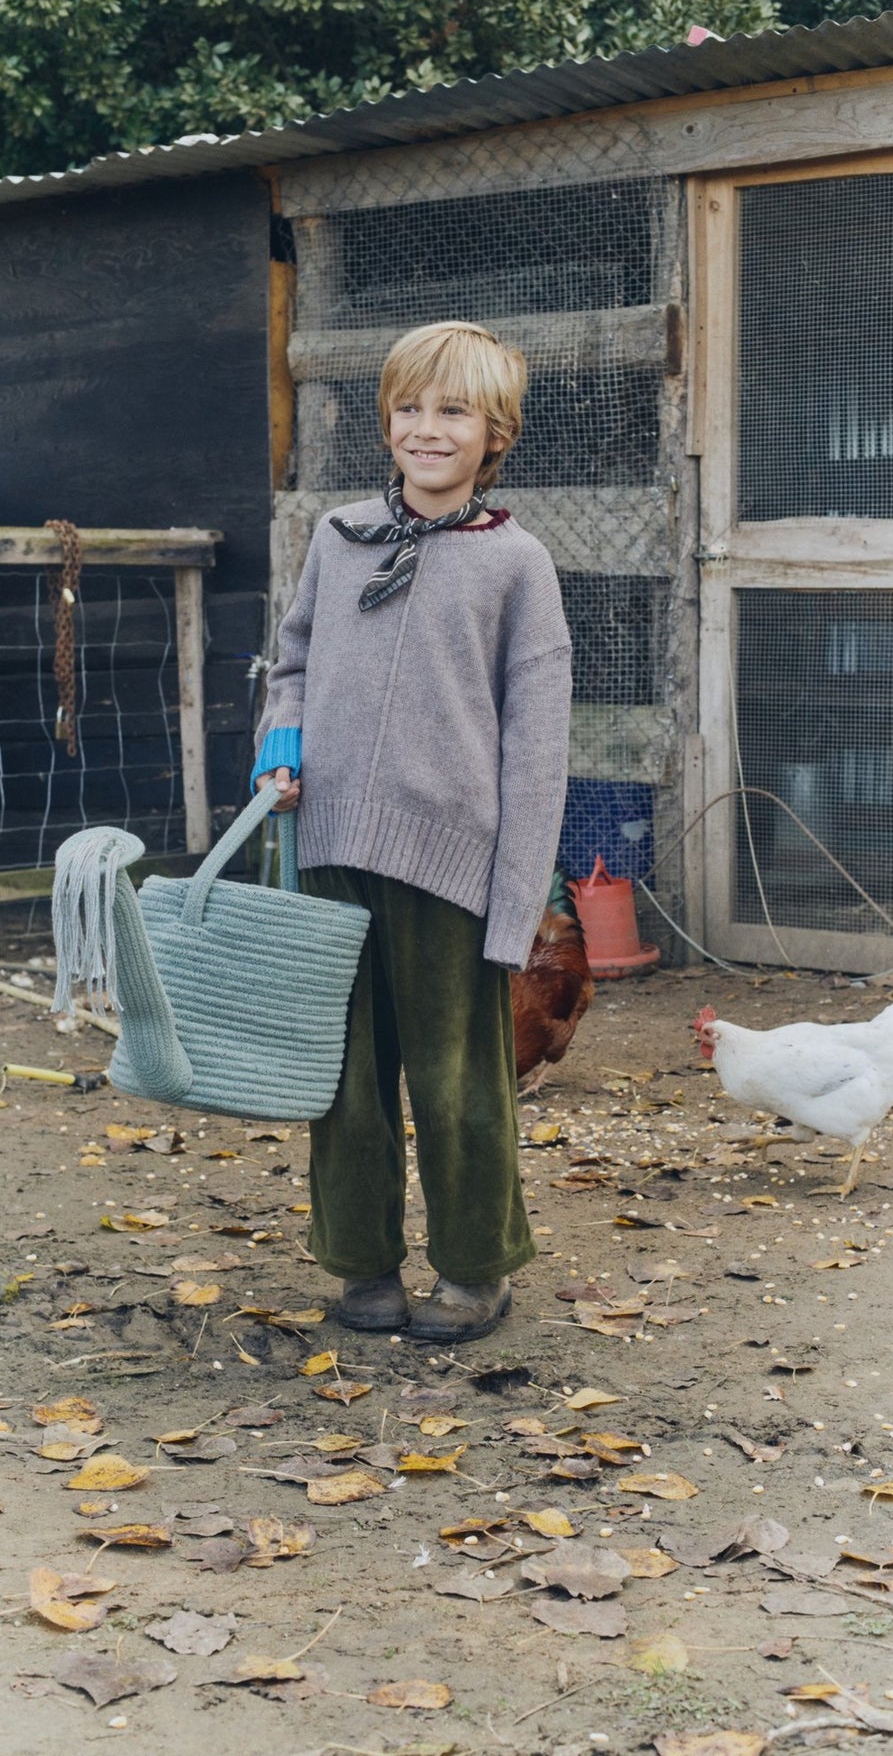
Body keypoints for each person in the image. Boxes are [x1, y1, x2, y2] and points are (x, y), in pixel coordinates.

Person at [252, 320, 572, 1342]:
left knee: (455, 1075)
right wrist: (278, 742)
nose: (426, 430)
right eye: (408, 407)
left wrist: (517, 897)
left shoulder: (516, 566)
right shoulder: (339, 539)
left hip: (448, 863)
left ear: (496, 433)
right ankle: (360, 1267)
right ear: (386, 420)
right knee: (342, 1075)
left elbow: (537, 746)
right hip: (329, 844)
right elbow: (292, 658)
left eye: (454, 411)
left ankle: (477, 1270)